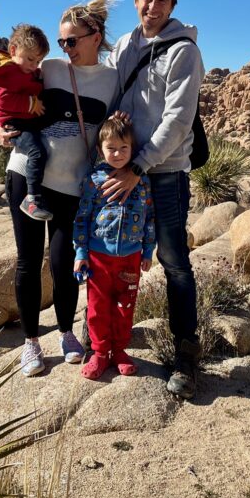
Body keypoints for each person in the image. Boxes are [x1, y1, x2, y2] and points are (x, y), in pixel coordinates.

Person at [0, 0, 120, 377]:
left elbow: (115, 129)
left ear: (95, 37)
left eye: (71, 40)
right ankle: (31, 342)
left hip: (73, 184)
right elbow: (0, 89)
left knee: (65, 262)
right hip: (27, 175)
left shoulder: (112, 80)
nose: (65, 48)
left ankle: (67, 333)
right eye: (62, 41)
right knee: (29, 260)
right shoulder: (47, 68)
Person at [103, 0, 205, 399]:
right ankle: (105, 338)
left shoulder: (184, 51)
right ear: (135, 0)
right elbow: (105, 91)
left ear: (172, 6)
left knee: (173, 259)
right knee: (109, 251)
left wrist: (139, 166)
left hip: (161, 172)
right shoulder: (125, 46)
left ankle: (186, 352)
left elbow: (178, 120)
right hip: (122, 167)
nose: (153, 6)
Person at [73, 113, 155, 380]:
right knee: (97, 307)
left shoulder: (141, 179)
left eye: (123, 148)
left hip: (130, 257)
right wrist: (81, 252)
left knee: (125, 305)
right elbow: (82, 217)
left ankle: (119, 350)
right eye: (111, 148)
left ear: (132, 149)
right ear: (100, 150)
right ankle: (100, 352)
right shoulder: (94, 180)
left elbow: (149, 217)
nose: (118, 153)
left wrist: (147, 251)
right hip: (98, 257)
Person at [0, 25, 54, 221]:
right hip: (14, 124)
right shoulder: (7, 72)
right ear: (13, 50)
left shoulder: (22, 71)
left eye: (38, 61)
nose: (33, 65)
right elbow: (5, 100)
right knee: (37, 152)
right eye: (30, 59)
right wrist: (31, 103)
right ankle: (32, 199)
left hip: (23, 120)